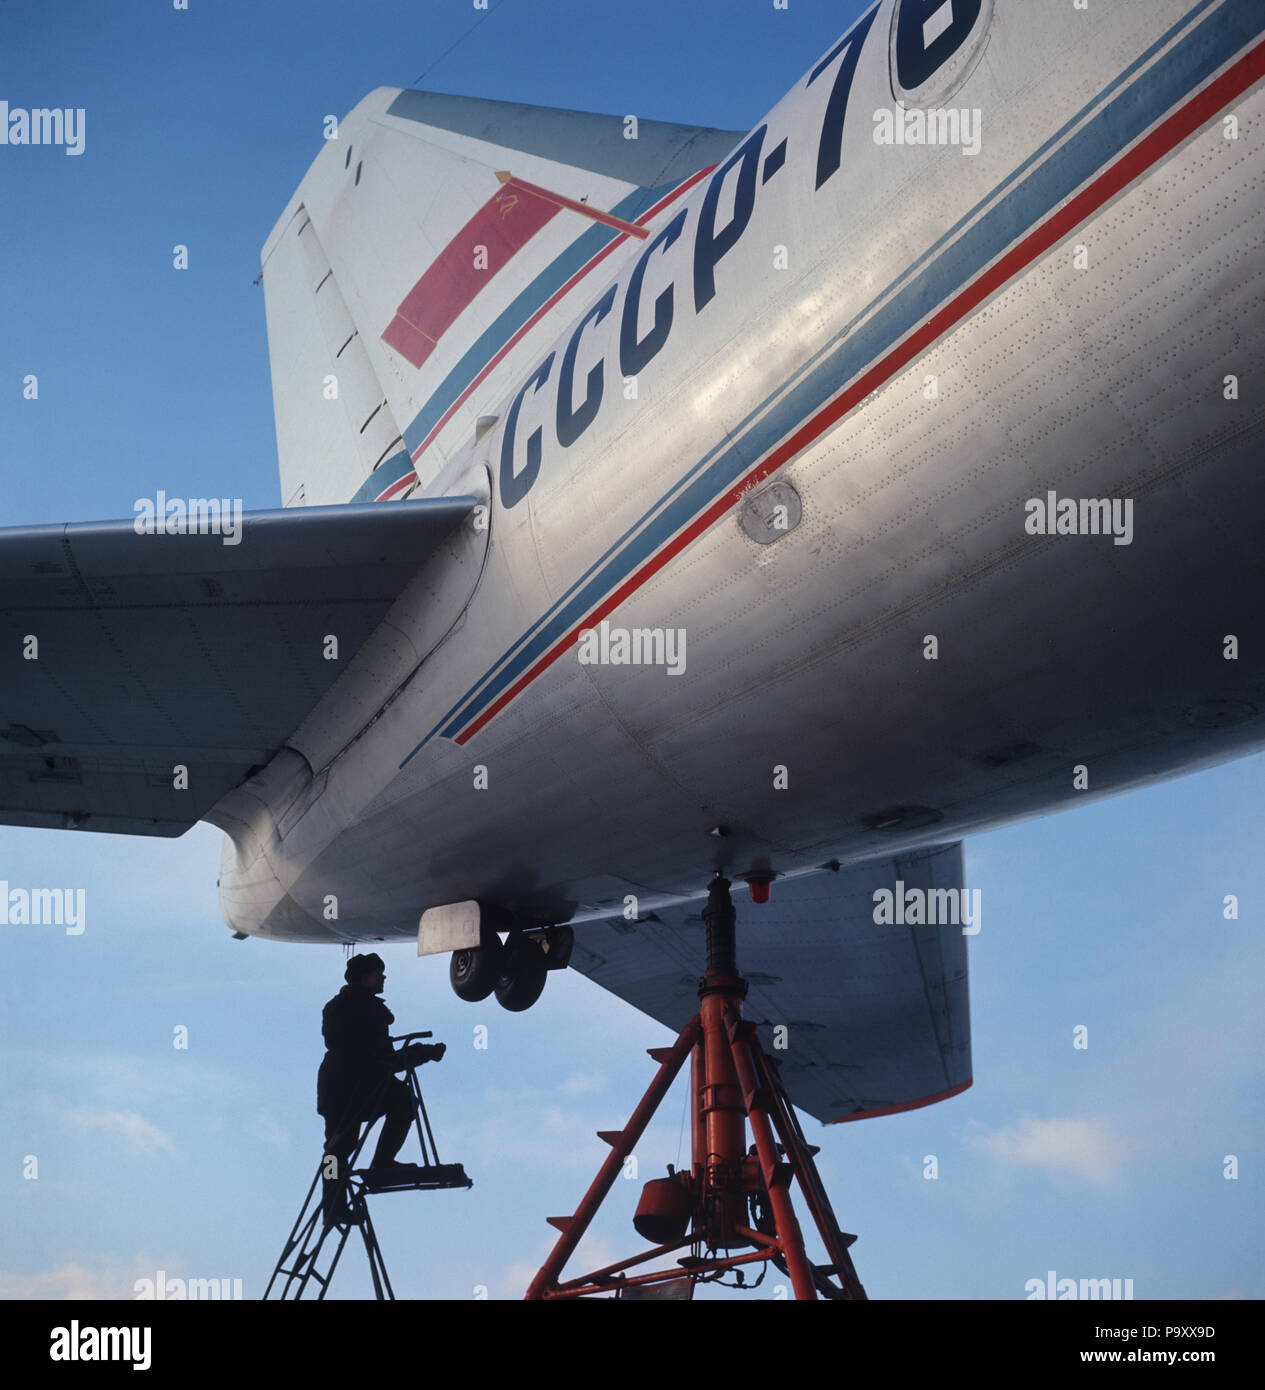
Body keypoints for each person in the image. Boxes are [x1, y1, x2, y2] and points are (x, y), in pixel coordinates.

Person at [317, 953, 445, 1224]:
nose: (384, 978)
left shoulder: (345, 1008)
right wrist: (422, 1053)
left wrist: (420, 1053)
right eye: (379, 973)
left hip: (345, 1087)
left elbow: (379, 1059)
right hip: (347, 1089)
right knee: (339, 1148)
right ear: (366, 977)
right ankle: (339, 1200)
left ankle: (338, 1200)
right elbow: (379, 1060)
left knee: (337, 1149)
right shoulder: (362, 1011)